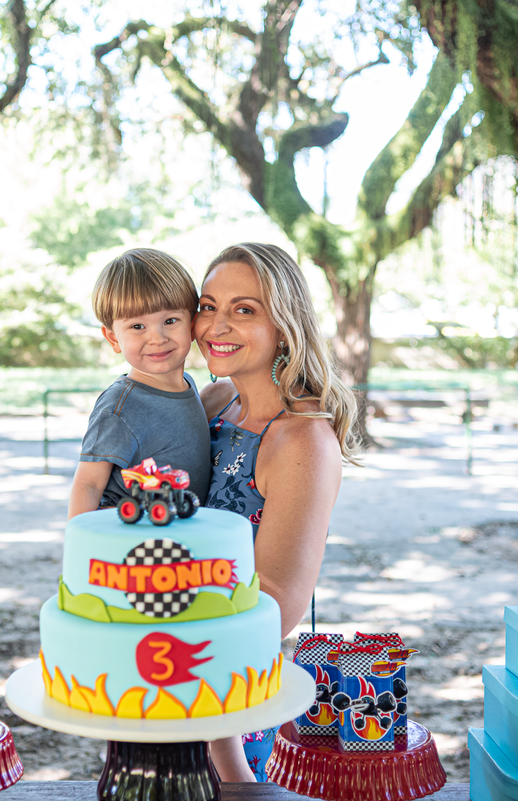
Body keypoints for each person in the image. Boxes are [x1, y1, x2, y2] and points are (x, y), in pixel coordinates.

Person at [195, 242, 361, 781]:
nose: (216, 326)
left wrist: (222, 752)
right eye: (207, 305)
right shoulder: (215, 402)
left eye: (244, 310)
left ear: (285, 326)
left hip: (226, 698)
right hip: (155, 681)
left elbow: (277, 607)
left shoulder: (303, 441)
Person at [68, 248, 211, 518]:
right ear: (112, 339)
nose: (157, 338)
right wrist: (81, 549)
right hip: (131, 542)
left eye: (170, 321)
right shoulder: (119, 407)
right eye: (137, 327)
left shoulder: (188, 385)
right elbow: (88, 484)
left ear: (192, 323)